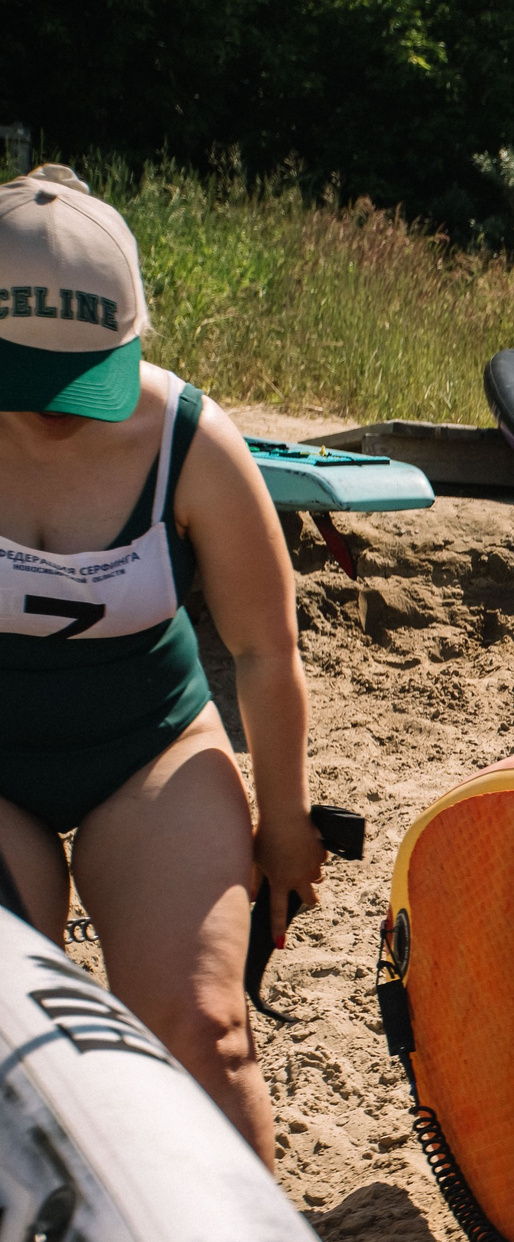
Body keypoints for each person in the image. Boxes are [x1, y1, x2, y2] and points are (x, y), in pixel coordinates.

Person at [0, 168, 327, 1154]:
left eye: (82, 378)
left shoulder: (190, 440)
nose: (59, 412)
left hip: (147, 754)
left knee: (203, 1034)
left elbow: (266, 652)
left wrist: (288, 821)